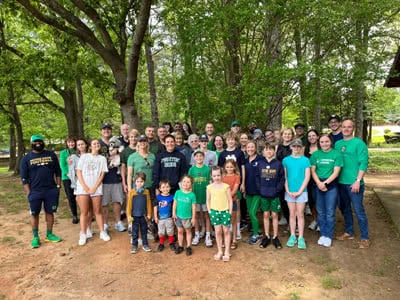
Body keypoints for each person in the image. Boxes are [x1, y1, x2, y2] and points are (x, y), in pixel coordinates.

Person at [20, 134, 63, 248]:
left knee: (50, 212)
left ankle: (49, 234)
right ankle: (35, 237)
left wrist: (58, 187)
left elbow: (58, 172)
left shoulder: (51, 155)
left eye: (39, 141)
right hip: (35, 191)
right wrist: (29, 193)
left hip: (50, 190)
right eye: (35, 141)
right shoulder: (26, 158)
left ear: (43, 142)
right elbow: (24, 178)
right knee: (35, 214)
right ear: (31, 144)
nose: (37, 143)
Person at [335, 120, 369, 249]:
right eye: (344, 127)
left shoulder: (359, 144)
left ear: (353, 128)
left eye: (349, 127)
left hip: (354, 183)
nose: (346, 129)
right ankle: (349, 232)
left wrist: (358, 180)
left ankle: (365, 238)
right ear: (341, 128)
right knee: (345, 209)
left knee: (359, 210)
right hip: (340, 183)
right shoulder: (338, 144)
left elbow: (363, 163)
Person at [75, 139, 110, 245]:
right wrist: (85, 187)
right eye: (94, 143)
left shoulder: (102, 158)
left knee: (98, 210)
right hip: (83, 188)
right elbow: (79, 172)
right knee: (84, 212)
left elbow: (102, 174)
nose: (96, 145)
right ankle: (83, 233)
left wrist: (94, 187)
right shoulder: (84, 156)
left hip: (96, 188)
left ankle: (102, 232)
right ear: (90, 146)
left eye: (98, 143)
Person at [311, 134, 343, 247]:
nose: (324, 144)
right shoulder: (315, 155)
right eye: (322, 142)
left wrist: (325, 183)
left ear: (331, 142)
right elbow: (313, 171)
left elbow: (336, 172)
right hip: (318, 184)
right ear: (319, 143)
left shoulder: (336, 154)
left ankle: (328, 235)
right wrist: (319, 183)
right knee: (320, 211)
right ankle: (323, 234)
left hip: (331, 185)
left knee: (329, 212)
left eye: (326, 141)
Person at [282, 139, 311, 250]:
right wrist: (288, 190)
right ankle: (293, 235)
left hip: (302, 192)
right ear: (291, 147)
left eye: (298, 146)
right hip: (289, 191)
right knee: (292, 214)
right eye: (294, 146)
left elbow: (307, 177)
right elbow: (284, 177)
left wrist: (300, 191)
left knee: (300, 214)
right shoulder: (286, 160)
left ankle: (301, 237)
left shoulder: (305, 160)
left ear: (301, 148)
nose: (296, 148)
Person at [98, 123, 126, 233]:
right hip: (103, 178)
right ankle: (104, 224)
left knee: (117, 201)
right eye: (104, 129)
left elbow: (123, 153)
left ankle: (118, 222)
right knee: (104, 203)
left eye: (108, 129)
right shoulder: (98, 143)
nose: (106, 131)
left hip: (116, 176)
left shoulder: (117, 142)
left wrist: (118, 151)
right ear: (101, 131)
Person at [218, 131, 245, 240]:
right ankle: (228, 227)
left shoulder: (239, 153)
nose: (230, 141)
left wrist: (243, 183)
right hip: (225, 185)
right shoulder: (222, 154)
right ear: (226, 141)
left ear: (235, 141)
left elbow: (242, 167)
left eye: (232, 139)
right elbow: (220, 169)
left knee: (236, 207)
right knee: (226, 206)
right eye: (228, 139)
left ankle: (237, 228)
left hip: (236, 183)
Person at [257, 144, 285, 249]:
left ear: (274, 152)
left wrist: (277, 190)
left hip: (274, 194)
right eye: (266, 149)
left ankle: (275, 236)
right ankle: (267, 236)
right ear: (263, 152)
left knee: (274, 215)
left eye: (271, 149)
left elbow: (282, 178)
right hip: (264, 194)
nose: (268, 151)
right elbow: (257, 177)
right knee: (265, 214)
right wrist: (260, 189)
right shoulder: (260, 163)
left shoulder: (278, 164)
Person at [69, 138, 94, 241]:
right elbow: (72, 173)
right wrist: (76, 188)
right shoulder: (74, 157)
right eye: (78, 145)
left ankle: (89, 228)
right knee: (84, 210)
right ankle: (82, 232)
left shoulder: (91, 155)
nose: (80, 146)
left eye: (82, 144)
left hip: (92, 185)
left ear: (86, 145)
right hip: (80, 187)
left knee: (91, 209)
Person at [207, 166, 233, 262]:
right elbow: (208, 200)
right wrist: (210, 211)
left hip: (225, 211)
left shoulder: (226, 187)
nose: (217, 177)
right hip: (214, 212)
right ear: (211, 176)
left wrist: (229, 212)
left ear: (222, 175)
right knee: (218, 231)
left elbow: (230, 200)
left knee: (226, 231)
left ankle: (227, 251)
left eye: (218, 175)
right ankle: (220, 251)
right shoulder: (209, 187)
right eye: (214, 175)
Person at [189, 149, 212, 248]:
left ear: (204, 157)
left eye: (201, 156)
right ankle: (197, 234)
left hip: (205, 197)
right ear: (194, 158)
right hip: (195, 197)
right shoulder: (192, 170)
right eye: (197, 156)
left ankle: (208, 235)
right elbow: (189, 183)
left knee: (207, 216)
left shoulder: (207, 169)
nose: (199, 158)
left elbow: (211, 183)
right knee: (197, 216)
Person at [127, 172, 152, 253]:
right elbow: (129, 205)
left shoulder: (146, 192)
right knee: (135, 231)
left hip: (144, 215)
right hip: (134, 216)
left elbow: (148, 204)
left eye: (141, 181)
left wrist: (149, 214)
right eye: (137, 181)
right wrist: (129, 215)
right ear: (135, 182)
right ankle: (134, 245)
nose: (139, 183)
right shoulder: (132, 192)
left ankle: (145, 244)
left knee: (144, 231)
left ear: (144, 182)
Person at [244, 141, 263, 244]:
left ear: (255, 148)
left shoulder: (260, 159)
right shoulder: (246, 160)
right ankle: (257, 231)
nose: (250, 149)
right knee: (250, 213)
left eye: (252, 147)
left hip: (258, 191)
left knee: (252, 212)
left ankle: (256, 234)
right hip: (248, 190)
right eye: (248, 147)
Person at [173, 175, 196, 256]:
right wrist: (173, 213)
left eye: (188, 182)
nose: (186, 183)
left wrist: (193, 217)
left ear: (191, 184)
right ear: (181, 183)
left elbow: (193, 207)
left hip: (188, 217)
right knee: (179, 231)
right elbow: (175, 204)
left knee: (188, 231)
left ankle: (189, 246)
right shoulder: (178, 192)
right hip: (178, 216)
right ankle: (180, 246)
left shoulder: (192, 195)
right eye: (184, 181)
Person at [276, 127, 294, 226]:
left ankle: (294, 223)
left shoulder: (294, 146)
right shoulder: (278, 147)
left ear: (292, 135)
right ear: (282, 135)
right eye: (285, 134)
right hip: (281, 176)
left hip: (292, 176)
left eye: (289, 134)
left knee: (291, 200)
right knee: (283, 200)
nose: (287, 136)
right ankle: (287, 219)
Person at [59, 136, 78, 224]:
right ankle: (74, 215)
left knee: (81, 196)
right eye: (69, 142)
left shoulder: (78, 152)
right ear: (66, 143)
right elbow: (62, 165)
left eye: (72, 142)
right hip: (67, 178)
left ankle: (86, 213)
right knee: (71, 197)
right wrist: (69, 175)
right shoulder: (63, 153)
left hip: (78, 177)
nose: (71, 144)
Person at [222, 159, 241, 249]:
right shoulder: (223, 176)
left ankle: (234, 239)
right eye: (227, 167)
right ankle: (224, 239)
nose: (229, 168)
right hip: (223, 202)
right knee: (224, 221)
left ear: (234, 167)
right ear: (225, 167)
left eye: (231, 167)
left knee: (233, 221)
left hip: (232, 201)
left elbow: (235, 190)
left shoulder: (237, 176)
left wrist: (228, 198)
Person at [154, 180, 176, 251]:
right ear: (160, 189)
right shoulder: (158, 197)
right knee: (161, 232)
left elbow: (174, 206)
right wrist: (155, 216)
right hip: (160, 218)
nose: (165, 189)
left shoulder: (172, 197)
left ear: (170, 188)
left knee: (170, 231)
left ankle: (171, 243)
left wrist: (173, 215)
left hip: (169, 218)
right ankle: (161, 243)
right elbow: (155, 207)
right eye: (163, 187)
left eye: (167, 187)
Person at [304, 129, 320, 230]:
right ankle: (315, 220)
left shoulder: (322, 148)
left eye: (313, 135)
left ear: (317, 137)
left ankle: (321, 221)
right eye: (309, 136)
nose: (311, 138)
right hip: (308, 179)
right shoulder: (305, 149)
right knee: (311, 201)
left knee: (320, 201)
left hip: (320, 178)